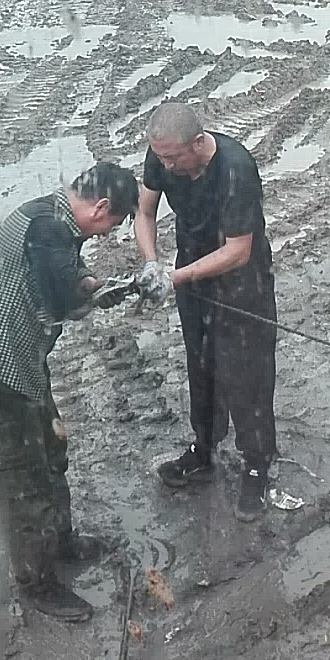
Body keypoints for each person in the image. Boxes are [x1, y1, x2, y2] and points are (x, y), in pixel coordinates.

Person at [0, 163, 138, 622]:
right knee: (21, 486)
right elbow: (68, 304)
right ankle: (36, 584)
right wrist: (126, 289)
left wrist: (100, 284)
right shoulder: (48, 232)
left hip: (21, 371)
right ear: (102, 207)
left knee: (52, 455)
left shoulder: (48, 214)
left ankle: (63, 545)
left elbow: (70, 275)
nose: (105, 234)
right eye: (112, 226)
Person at [134, 103, 277, 522]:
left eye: (173, 158)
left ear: (198, 143)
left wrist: (177, 277)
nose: (165, 165)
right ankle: (205, 447)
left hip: (241, 279)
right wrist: (150, 263)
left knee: (247, 372)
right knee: (203, 364)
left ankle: (256, 462)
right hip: (190, 269)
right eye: (160, 157)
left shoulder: (236, 169)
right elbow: (144, 211)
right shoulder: (162, 155)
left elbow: (238, 250)